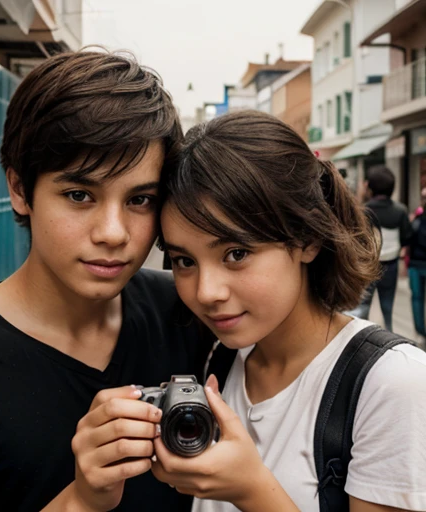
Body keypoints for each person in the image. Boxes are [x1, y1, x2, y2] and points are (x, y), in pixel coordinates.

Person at [0, 49, 214, 512]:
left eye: (139, 200)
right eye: (79, 195)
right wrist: (81, 500)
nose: (113, 233)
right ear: (19, 189)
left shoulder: (188, 313)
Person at [152, 111, 426, 511]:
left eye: (236, 253)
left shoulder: (392, 383)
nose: (206, 292)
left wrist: (251, 491)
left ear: (307, 240)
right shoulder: (219, 359)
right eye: (183, 261)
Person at [358, 165, 413, 331]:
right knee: (387, 304)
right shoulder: (400, 211)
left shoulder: (364, 211)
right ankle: (388, 331)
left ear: (370, 187)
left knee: (363, 304)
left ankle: (362, 334)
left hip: (368, 263)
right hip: (391, 264)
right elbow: (406, 237)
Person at [408, 190, 426, 341]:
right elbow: (409, 239)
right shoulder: (417, 218)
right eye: (423, 196)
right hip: (415, 264)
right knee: (416, 298)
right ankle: (420, 330)